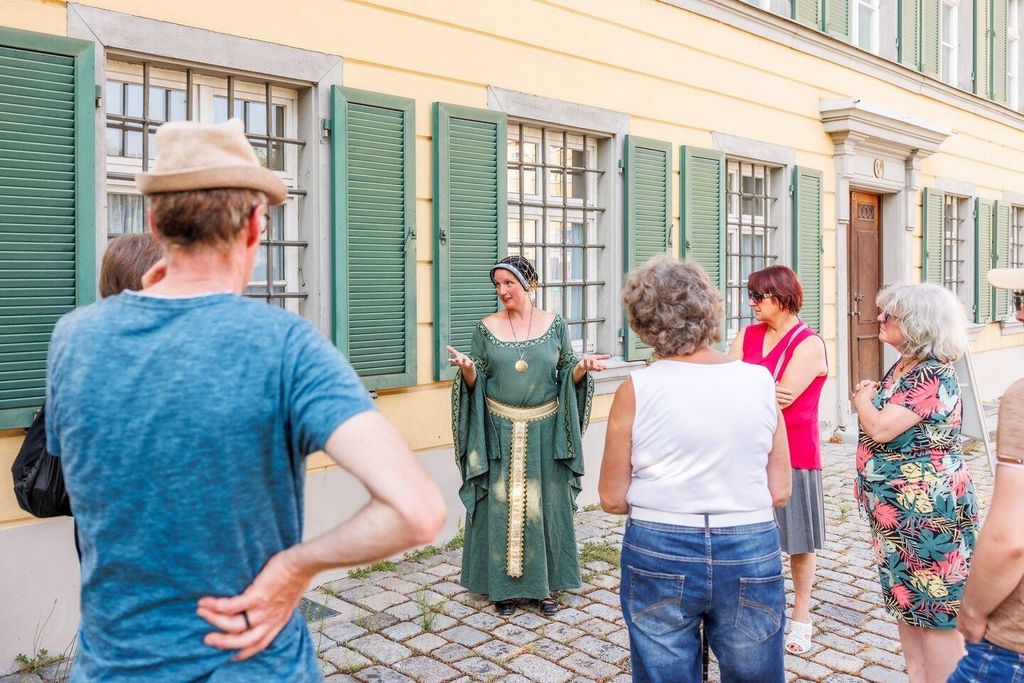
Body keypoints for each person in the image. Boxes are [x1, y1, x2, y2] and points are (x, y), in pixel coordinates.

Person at [45, 119, 446, 681]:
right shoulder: (286, 346)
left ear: (155, 223)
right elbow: (417, 512)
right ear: (256, 225)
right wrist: (296, 566)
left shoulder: (74, 338)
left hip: (113, 665)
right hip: (251, 664)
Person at [599, 255, 792, 683]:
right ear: (709, 309)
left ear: (643, 320)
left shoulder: (637, 389)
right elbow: (780, 490)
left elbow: (611, 497)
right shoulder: (760, 382)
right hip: (748, 540)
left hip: (660, 541)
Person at [447, 255, 608, 616]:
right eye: (498, 284)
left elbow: (566, 368)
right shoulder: (485, 328)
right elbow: (478, 377)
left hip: (546, 431)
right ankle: (501, 590)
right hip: (498, 431)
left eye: (509, 283)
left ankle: (544, 588)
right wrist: (468, 370)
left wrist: (582, 367)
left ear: (528, 284)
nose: (502, 291)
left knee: (545, 506)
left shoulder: (555, 324)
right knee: (498, 505)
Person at [852, 283, 978, 683]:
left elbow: (880, 427)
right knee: (907, 601)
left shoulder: (931, 372)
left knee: (936, 608)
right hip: (897, 517)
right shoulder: (906, 365)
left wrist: (861, 398)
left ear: (916, 324)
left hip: (927, 515)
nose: (879, 319)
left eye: (889, 315)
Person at [729, 265, 828, 654]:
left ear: (783, 297)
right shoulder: (747, 335)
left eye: (758, 296)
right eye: (750, 296)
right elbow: (729, 389)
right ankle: (750, 610)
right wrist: (761, 390)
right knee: (746, 535)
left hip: (795, 452)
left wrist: (749, 388)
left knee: (799, 540)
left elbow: (781, 399)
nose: (752, 304)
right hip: (748, 449)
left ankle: (802, 616)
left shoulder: (809, 344)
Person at [949, 268, 1024, 682]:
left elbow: (1011, 540)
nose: (1019, 314)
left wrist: (972, 610)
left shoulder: (1021, 397)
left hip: (1013, 644)